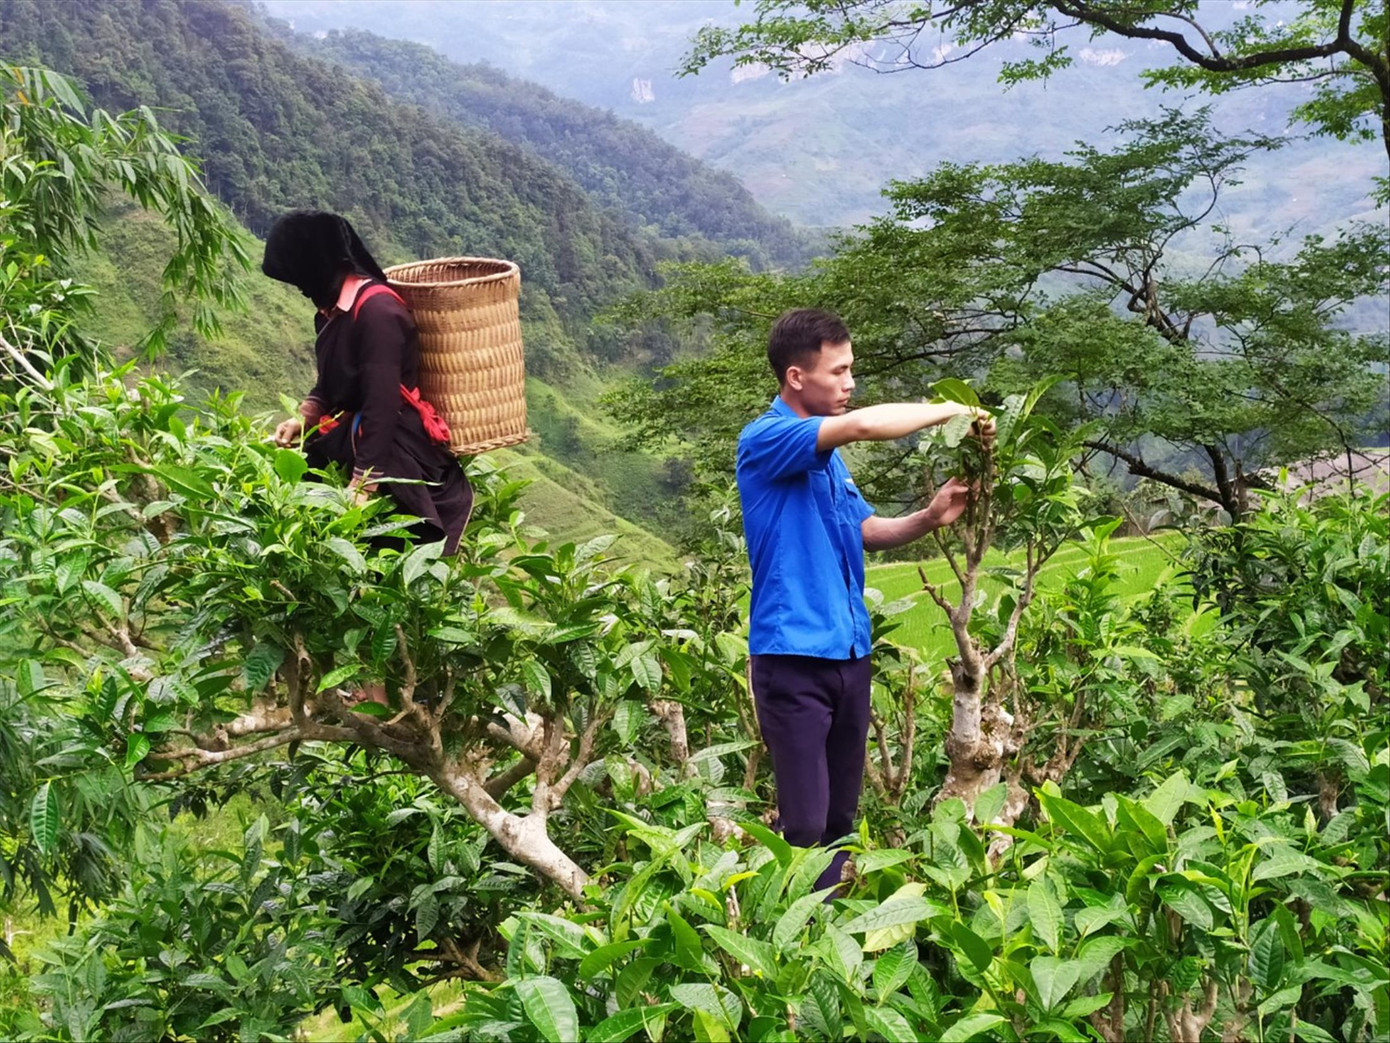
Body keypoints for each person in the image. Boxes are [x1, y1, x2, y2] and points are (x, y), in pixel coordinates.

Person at [737, 308, 992, 896]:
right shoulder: (767, 439)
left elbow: (864, 531)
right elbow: (863, 426)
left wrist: (930, 517)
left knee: (839, 822)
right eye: (839, 371)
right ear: (796, 376)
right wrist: (952, 411)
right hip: (794, 658)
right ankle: (796, 933)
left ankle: (828, 926)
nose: (850, 383)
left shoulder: (827, 461)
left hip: (849, 655)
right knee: (804, 825)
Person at [261, 210, 472, 555]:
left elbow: (381, 403)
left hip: (393, 443)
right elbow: (329, 383)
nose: (299, 289)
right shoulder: (329, 312)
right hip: (357, 434)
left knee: (389, 548)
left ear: (317, 265)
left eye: (299, 277)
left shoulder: (377, 312)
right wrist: (304, 418)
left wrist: (363, 482)